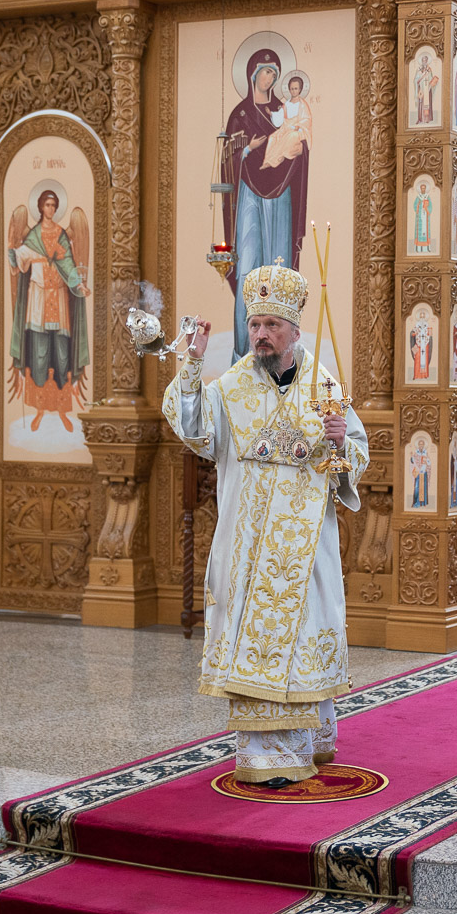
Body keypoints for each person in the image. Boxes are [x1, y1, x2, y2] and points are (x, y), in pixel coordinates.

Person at [163, 264, 368, 785]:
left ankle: (310, 741)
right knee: (256, 641)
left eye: (272, 325)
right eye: (254, 325)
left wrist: (341, 442)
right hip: (248, 546)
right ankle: (266, 758)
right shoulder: (231, 389)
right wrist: (192, 363)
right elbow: (192, 428)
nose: (260, 334)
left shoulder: (325, 386)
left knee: (304, 637)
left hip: (308, 550)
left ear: (294, 331)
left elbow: (355, 456)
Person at [222, 49, 310, 361]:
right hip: (249, 193)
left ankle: (282, 355)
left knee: (279, 269)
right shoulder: (240, 114)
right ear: (252, 74)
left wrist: (297, 148)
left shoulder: (282, 110)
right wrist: (247, 149)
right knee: (248, 268)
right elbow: (228, 158)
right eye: (265, 71)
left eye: (274, 73)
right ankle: (243, 355)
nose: (269, 78)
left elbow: (300, 143)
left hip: (281, 192)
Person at [7, 188, 91, 433]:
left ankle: (63, 410)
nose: (51, 209)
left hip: (60, 297)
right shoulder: (34, 235)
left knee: (62, 354)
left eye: (54, 206)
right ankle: (40, 410)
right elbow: (19, 258)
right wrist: (10, 251)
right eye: (47, 205)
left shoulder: (62, 235)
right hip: (38, 299)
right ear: (41, 207)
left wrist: (79, 285)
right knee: (40, 353)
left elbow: (69, 266)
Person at [261, 71, 313, 170]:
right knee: (272, 137)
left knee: (290, 136)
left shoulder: (302, 104)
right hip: (286, 128)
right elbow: (280, 117)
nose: (293, 91)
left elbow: (307, 119)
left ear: (300, 89)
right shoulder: (287, 104)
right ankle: (267, 161)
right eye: (292, 89)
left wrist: (298, 125)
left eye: (296, 89)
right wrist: (271, 114)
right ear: (289, 89)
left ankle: (278, 158)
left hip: (298, 131)